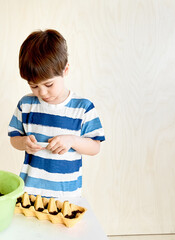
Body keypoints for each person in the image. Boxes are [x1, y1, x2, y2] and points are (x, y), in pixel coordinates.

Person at [8, 29, 105, 199]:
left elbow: (95, 147)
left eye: (49, 84)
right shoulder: (26, 104)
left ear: (65, 69)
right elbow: (14, 139)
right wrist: (24, 142)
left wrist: (73, 140)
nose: (42, 92)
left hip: (66, 194)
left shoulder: (82, 108)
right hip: (30, 193)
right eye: (34, 86)